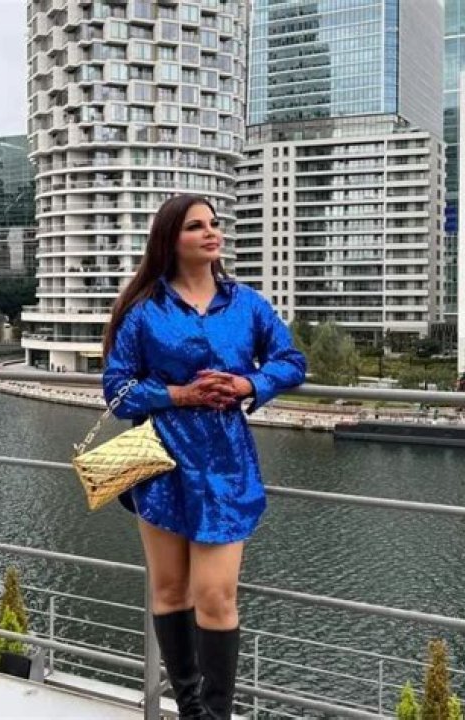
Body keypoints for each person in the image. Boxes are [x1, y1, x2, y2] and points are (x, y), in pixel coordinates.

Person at [102, 194, 307, 719]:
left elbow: (291, 361)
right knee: (170, 590)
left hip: (225, 462)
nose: (212, 232)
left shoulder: (247, 305)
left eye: (214, 223)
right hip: (160, 461)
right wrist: (179, 394)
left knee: (216, 596)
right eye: (196, 226)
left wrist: (246, 384)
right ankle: (191, 711)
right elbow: (117, 389)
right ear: (171, 239)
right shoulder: (145, 311)